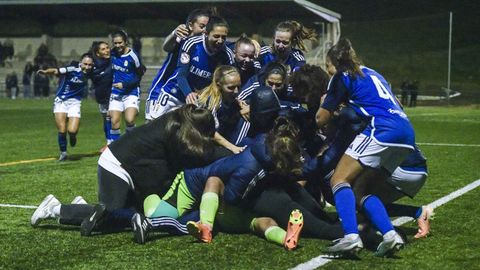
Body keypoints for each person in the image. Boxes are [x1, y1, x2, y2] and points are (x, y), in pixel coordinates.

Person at [30, 105, 220, 236]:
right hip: (116, 166)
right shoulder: (177, 132)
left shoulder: (177, 122)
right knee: (112, 216)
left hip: (130, 167)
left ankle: (82, 206)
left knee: (129, 217)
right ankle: (54, 209)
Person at [316, 38, 415, 257]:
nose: (328, 71)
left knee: (338, 179)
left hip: (381, 129)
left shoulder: (341, 75)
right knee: (361, 191)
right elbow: (398, 104)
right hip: (406, 133)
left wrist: (309, 121)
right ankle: (390, 235)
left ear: (334, 63)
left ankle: (351, 237)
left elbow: (321, 118)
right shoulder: (373, 72)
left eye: (327, 66)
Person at [150, 15, 235, 117]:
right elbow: (181, 75)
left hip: (197, 101)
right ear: (206, 33)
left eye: (223, 37)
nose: (220, 40)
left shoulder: (227, 55)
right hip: (173, 94)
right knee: (154, 128)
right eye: (216, 36)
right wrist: (188, 93)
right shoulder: (192, 44)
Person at [146, 8, 210, 122]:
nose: (205, 30)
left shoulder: (205, 47)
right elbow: (166, 47)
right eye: (202, 26)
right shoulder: (182, 39)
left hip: (184, 94)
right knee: (151, 128)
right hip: (162, 89)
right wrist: (174, 33)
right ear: (190, 25)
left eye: (207, 27)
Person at [37, 53, 94, 161]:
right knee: (62, 129)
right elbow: (56, 71)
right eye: (85, 64)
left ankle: (73, 136)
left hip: (75, 103)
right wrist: (45, 72)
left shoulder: (91, 72)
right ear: (81, 63)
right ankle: (63, 152)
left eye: (89, 65)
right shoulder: (71, 69)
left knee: (72, 130)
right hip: (61, 101)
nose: (87, 67)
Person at [197, 65, 245, 153]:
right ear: (219, 85)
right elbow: (211, 131)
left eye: (238, 86)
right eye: (231, 88)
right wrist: (233, 147)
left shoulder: (231, 99)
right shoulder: (210, 102)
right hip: (201, 143)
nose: (236, 91)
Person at [109, 30, 145, 142]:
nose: (118, 45)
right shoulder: (112, 54)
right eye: (115, 43)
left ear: (125, 42)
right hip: (116, 93)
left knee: (129, 120)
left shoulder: (133, 56)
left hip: (131, 92)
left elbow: (139, 75)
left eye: (120, 43)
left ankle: (131, 143)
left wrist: (124, 84)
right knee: (114, 122)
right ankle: (115, 149)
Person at [90, 41, 113, 147]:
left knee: (112, 118)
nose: (107, 50)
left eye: (107, 48)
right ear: (98, 53)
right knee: (106, 119)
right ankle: (109, 141)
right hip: (102, 96)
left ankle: (111, 143)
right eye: (103, 49)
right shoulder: (93, 65)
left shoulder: (114, 60)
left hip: (115, 95)